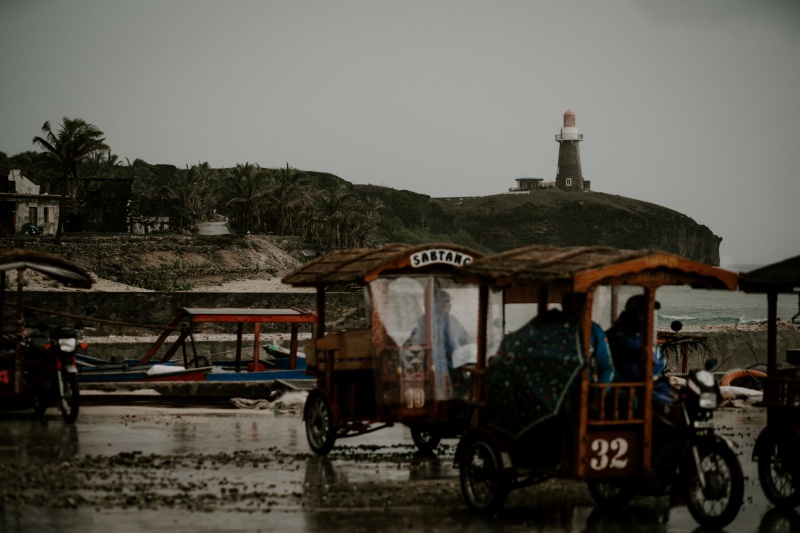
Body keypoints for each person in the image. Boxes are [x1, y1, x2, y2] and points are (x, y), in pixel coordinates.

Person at [605, 294, 674, 406]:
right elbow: (630, 353)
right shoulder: (615, 336)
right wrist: (638, 355)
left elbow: (656, 365)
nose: (647, 318)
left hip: (655, 387)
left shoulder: (640, 336)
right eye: (642, 313)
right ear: (630, 314)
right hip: (632, 390)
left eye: (649, 314)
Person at [407, 287, 472, 399]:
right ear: (439, 303)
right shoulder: (430, 320)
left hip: (443, 363)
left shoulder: (443, 320)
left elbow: (464, 340)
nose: (450, 305)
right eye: (447, 301)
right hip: (438, 364)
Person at [560, 292, 615, 384]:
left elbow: (607, 367)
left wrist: (600, 392)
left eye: (582, 302)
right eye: (575, 302)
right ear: (564, 305)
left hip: (588, 389)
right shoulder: (553, 329)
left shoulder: (594, 330)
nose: (580, 306)